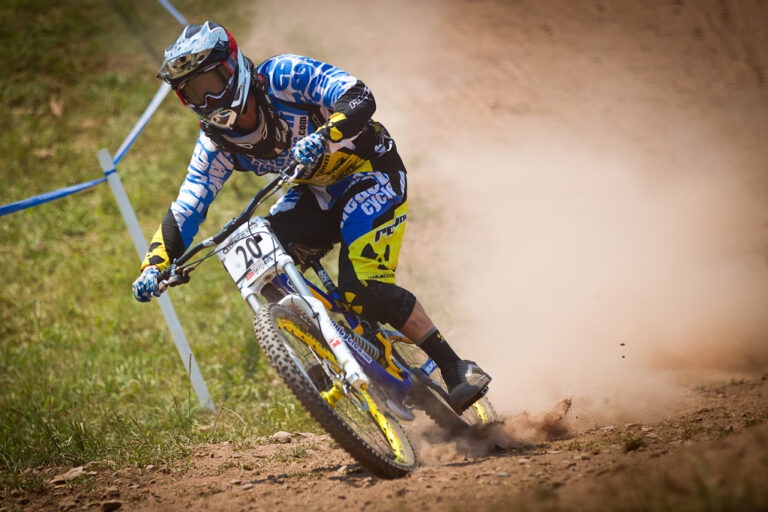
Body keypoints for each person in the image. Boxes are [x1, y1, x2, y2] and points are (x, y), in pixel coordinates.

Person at [131, 21, 490, 413]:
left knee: (363, 289)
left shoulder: (284, 76)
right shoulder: (215, 143)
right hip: (314, 192)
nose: (208, 99)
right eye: (194, 93)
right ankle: (334, 347)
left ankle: (455, 367)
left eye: (210, 83)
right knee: (261, 264)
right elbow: (187, 208)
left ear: (232, 67)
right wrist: (154, 265)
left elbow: (359, 96)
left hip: (370, 171)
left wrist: (324, 135)